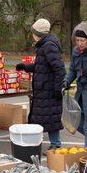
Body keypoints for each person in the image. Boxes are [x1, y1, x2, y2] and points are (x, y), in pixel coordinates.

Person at [16, 19, 66, 150]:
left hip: (48, 91)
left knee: (50, 119)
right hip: (44, 90)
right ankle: (42, 144)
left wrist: (57, 89)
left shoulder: (49, 46)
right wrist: (25, 67)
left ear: (37, 33)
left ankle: (54, 145)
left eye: (33, 33)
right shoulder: (45, 45)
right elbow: (42, 66)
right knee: (47, 118)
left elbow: (60, 69)